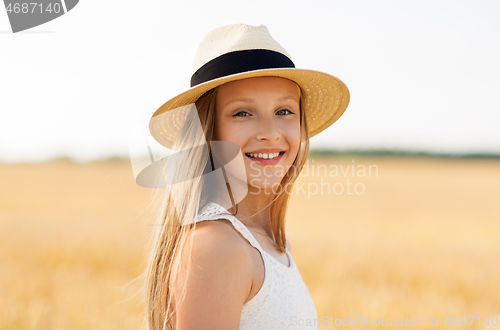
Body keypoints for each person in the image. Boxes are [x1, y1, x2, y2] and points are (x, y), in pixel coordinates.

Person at [143, 24, 350, 330]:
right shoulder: (217, 247)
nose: (269, 133)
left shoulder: (269, 241)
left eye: (284, 111)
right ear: (207, 132)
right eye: (242, 113)